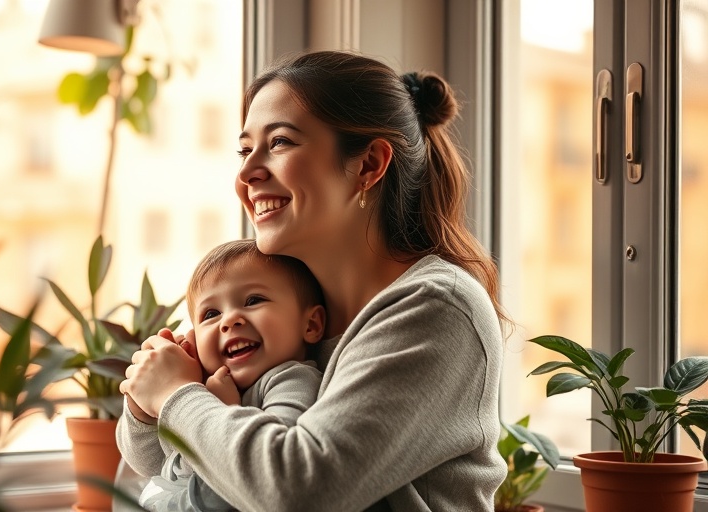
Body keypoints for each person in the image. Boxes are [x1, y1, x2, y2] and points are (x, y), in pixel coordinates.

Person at [119, 50, 508, 511]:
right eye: (245, 150)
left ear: (368, 165)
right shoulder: (280, 311)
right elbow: (155, 459)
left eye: (280, 143)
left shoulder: (436, 308)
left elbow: (301, 490)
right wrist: (148, 403)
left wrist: (177, 395)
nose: (245, 173)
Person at [119, 239, 326, 511]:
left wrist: (222, 409)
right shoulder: (198, 385)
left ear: (310, 324)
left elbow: (268, 467)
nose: (230, 320)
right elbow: (149, 464)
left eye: (253, 300)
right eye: (211, 314)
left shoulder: (292, 379)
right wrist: (145, 408)